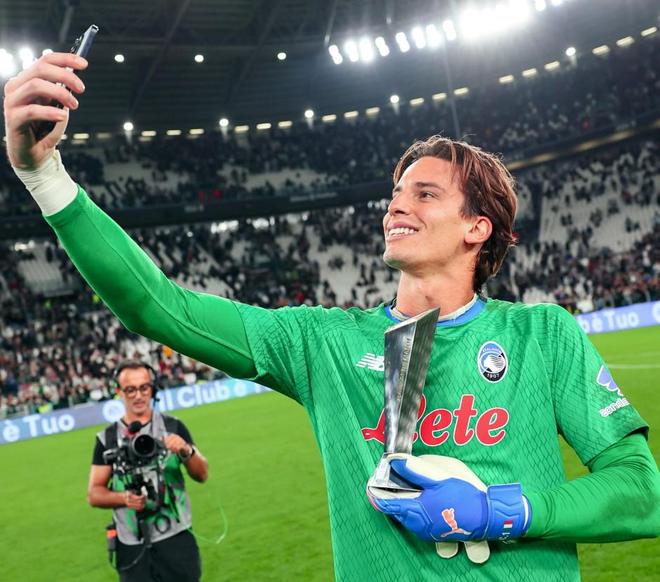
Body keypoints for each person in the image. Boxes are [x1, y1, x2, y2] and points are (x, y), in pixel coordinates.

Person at [4, 52, 659, 581]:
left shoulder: (543, 335)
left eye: (425, 193)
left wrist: (501, 511)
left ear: (477, 228)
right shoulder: (322, 344)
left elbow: (641, 492)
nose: (396, 205)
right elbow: (158, 307)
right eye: (395, 193)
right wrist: (43, 176)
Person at [87, 360, 209, 582]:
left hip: (176, 537)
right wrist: (124, 498)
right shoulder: (108, 439)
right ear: (119, 392)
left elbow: (202, 474)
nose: (138, 395)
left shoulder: (173, 427)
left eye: (144, 388)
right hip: (131, 544)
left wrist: (186, 450)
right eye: (130, 389)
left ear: (153, 389)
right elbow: (94, 494)